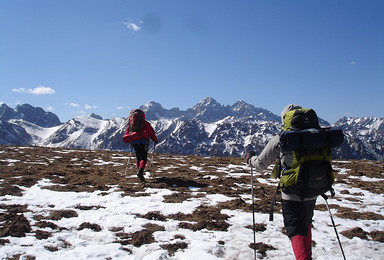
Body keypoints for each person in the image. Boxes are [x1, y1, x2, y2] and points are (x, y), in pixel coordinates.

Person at [246, 104, 316, 260]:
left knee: (295, 229)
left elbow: (260, 165)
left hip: (292, 192)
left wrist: (250, 159)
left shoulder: (282, 138)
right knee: (306, 223)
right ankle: (307, 255)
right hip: (314, 189)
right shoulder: (314, 135)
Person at [123, 109, 158, 182]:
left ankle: (138, 170)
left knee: (138, 157)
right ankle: (141, 171)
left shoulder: (130, 124)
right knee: (143, 158)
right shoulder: (144, 123)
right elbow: (151, 132)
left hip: (135, 142)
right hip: (144, 142)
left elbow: (127, 133)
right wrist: (155, 140)